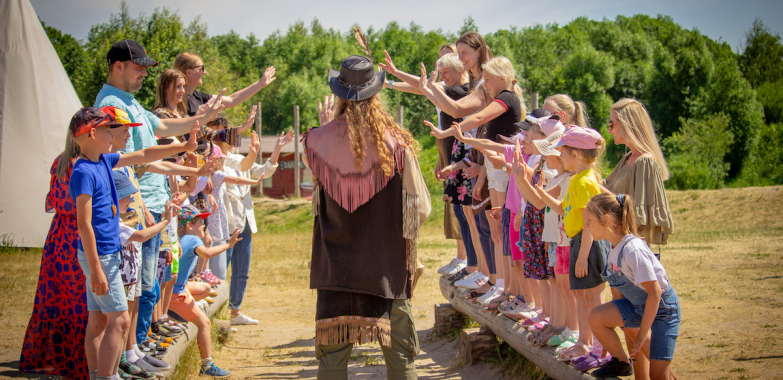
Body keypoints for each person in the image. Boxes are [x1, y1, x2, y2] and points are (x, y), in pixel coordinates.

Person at [93, 39, 224, 354]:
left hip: (150, 204)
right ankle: (129, 353)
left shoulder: (129, 100)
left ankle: (134, 350)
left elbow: (162, 127)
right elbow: (125, 160)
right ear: (117, 66)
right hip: (136, 207)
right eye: (138, 68)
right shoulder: (112, 101)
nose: (143, 74)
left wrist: (200, 119)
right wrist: (135, 204)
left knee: (143, 286)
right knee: (135, 289)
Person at [306, 55, 429, 379]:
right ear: (375, 95)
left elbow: (317, 196)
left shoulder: (315, 142)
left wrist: (326, 127)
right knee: (401, 357)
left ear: (339, 96)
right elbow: (420, 208)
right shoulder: (398, 145)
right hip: (386, 269)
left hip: (336, 270)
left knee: (332, 360)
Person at [68, 107, 198, 380]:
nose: (111, 133)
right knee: (120, 319)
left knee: (100, 321)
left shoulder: (102, 161)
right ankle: (108, 376)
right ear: (93, 133)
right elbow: (84, 224)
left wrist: (184, 145)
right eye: (107, 129)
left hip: (103, 254)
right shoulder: (83, 171)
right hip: (101, 256)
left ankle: (99, 375)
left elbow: (143, 155)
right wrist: (96, 268)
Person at [603, 98, 675, 378]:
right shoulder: (627, 158)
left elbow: (640, 217)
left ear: (628, 124)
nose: (610, 130)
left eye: (612, 123)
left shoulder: (644, 162)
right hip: (621, 257)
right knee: (629, 328)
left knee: (638, 329)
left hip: (634, 260)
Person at [207, 118, 293, 326]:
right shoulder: (211, 160)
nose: (221, 138)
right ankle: (215, 312)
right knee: (219, 269)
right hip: (224, 222)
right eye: (216, 134)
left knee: (241, 269)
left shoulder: (237, 159)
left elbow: (263, 170)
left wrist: (276, 149)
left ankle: (234, 311)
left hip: (244, 219)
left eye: (223, 133)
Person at [535, 126, 611, 363]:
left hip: (586, 244)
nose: (560, 156)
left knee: (593, 299)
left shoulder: (586, 182)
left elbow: (590, 223)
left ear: (576, 154)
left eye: (563, 152)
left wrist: (582, 256)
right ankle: (585, 342)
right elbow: (562, 208)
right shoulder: (577, 179)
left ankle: (599, 349)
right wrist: (542, 192)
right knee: (581, 296)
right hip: (578, 243)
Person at [585, 193, 681, 380]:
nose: (586, 226)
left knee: (658, 376)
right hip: (639, 307)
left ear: (606, 220)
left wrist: (643, 332)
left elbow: (654, 293)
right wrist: (607, 338)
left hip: (663, 310)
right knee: (596, 317)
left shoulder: (632, 250)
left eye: (589, 220)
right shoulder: (613, 249)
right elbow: (618, 301)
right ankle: (621, 363)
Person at [19, 134, 90, 379]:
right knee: (71, 300)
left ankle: (74, 358)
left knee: (70, 300)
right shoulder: (70, 162)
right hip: (70, 237)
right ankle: (71, 360)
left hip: (68, 234)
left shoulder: (79, 161)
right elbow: (65, 203)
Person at [113, 171, 176, 379]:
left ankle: (131, 352)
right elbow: (141, 235)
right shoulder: (118, 225)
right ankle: (117, 364)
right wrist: (165, 221)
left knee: (135, 304)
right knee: (120, 320)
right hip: (120, 280)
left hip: (129, 279)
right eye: (126, 195)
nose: (131, 199)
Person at [172, 205, 243, 377]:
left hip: (175, 289)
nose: (204, 225)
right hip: (176, 294)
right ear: (189, 225)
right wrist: (228, 245)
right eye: (200, 223)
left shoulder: (182, 238)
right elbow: (207, 253)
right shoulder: (193, 239)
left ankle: (176, 314)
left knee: (205, 288)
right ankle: (207, 365)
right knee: (204, 323)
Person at [173, 51, 276, 116]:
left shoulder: (198, 96)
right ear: (189, 72)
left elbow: (232, 100)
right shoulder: (177, 100)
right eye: (201, 68)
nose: (205, 72)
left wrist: (260, 84)